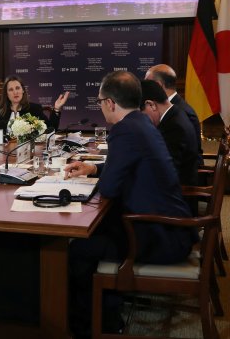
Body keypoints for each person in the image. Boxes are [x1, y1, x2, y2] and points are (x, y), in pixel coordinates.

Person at [63, 71, 196, 338]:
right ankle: (109, 312)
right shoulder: (141, 123)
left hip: (160, 234)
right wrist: (94, 167)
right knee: (98, 234)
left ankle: (92, 325)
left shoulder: (125, 130)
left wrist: (104, 174)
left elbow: (112, 188)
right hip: (168, 225)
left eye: (100, 101)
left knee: (78, 249)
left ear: (111, 103)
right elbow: (127, 166)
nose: (100, 106)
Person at [140, 79, 199, 185]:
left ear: (151, 105)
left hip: (178, 195)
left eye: (141, 114)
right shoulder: (176, 114)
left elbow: (165, 174)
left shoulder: (174, 127)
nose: (142, 120)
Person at [0, 75, 69, 132]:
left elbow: (51, 129)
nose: (15, 92)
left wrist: (56, 109)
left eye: (18, 88)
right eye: (11, 90)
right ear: (6, 93)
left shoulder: (34, 109)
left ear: (23, 90)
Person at [145, 64, 202, 165]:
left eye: (147, 83)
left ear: (158, 85)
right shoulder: (174, 108)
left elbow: (186, 155)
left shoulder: (183, 113)